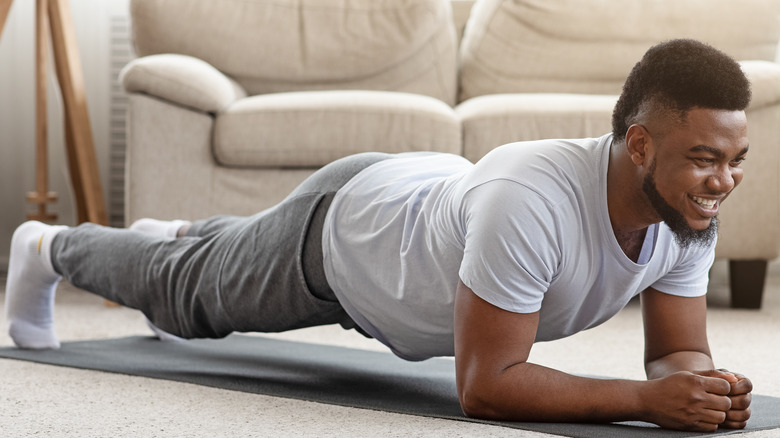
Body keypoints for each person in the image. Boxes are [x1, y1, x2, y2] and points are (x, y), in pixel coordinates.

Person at [5, 38, 753, 431]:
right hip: (343, 241)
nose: (722, 181)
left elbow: (675, 351)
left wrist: (700, 386)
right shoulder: (532, 199)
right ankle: (46, 247)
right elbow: (486, 387)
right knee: (183, 301)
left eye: (735, 162)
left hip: (413, 210)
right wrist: (644, 401)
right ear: (641, 145)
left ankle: (185, 234)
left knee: (209, 256)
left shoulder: (683, 211)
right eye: (705, 158)